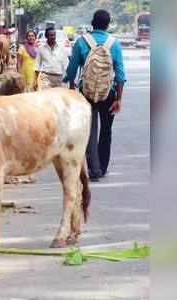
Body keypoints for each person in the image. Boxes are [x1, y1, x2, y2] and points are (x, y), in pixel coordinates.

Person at [63, 9, 126, 182]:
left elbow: (72, 70)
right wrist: (119, 99)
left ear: (92, 23)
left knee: (89, 130)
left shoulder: (82, 42)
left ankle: (94, 169)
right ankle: (103, 167)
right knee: (106, 129)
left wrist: (70, 85)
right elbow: (120, 75)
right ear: (108, 24)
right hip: (109, 93)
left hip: (87, 93)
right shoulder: (114, 44)